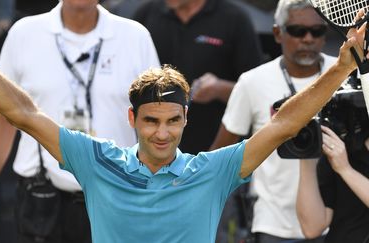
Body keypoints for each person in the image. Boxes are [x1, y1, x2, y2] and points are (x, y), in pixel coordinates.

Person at [0, 8, 366, 243]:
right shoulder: (98, 162)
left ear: (185, 120)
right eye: (150, 121)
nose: (161, 133)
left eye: (172, 121)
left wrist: (342, 66)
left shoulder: (211, 171)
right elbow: (22, 114)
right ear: (132, 120)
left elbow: (286, 124)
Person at [0, 0, 159, 242]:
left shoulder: (135, 37)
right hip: (41, 198)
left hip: (117, 195)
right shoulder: (24, 33)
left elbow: (155, 118)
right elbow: (4, 116)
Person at [210, 0, 334, 242]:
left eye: (317, 31)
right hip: (273, 224)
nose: (308, 38)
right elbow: (221, 152)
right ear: (278, 33)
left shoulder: (345, 74)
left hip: (336, 219)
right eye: (298, 31)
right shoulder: (252, 82)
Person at [133, 0, 264, 154]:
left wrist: (219, 89)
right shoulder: (146, 16)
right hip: (155, 152)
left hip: (216, 152)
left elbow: (257, 92)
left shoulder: (234, 19)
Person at [297, 125, 369, 242]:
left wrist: (345, 170)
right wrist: (306, 151)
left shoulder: (341, 161)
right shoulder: (342, 150)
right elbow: (312, 228)